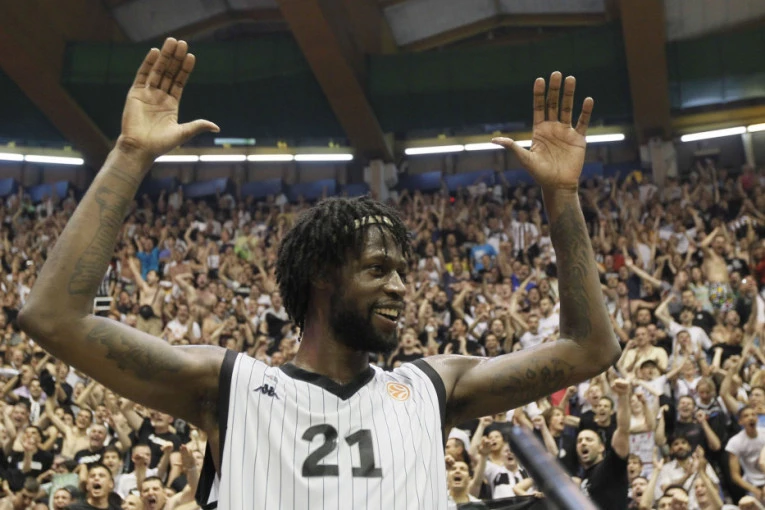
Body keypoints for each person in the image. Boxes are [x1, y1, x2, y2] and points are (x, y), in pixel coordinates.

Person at [18, 37, 620, 509]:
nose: (399, 287)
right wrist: (129, 155)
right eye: (378, 268)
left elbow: (589, 348)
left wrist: (562, 198)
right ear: (322, 277)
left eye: (403, 271)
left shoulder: (434, 389)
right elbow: (53, 317)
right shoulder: (227, 387)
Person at [575, 378, 630, 509]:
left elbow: (623, 430)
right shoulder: (584, 478)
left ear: (601, 447)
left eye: (589, 440)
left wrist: (623, 396)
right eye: (579, 440)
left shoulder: (611, 466)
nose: (583, 443)